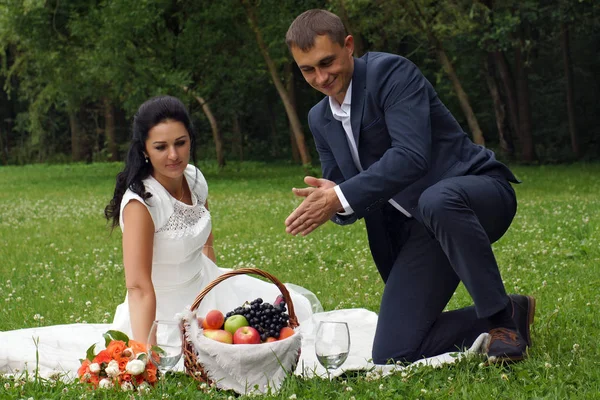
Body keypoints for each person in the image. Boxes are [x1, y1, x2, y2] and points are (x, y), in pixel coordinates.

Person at [0, 95, 318, 378]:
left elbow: (206, 240)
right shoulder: (142, 203)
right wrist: (145, 353)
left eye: (180, 143)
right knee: (203, 360)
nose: (173, 155)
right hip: (163, 310)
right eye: (161, 147)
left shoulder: (194, 178)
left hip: (209, 288)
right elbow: (138, 286)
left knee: (296, 312)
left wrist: (217, 286)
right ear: (144, 150)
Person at [284, 9, 536, 364]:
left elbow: (410, 156)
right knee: (393, 352)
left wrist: (341, 194)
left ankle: (500, 325)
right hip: (419, 229)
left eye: (327, 62)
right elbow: (347, 190)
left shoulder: (391, 74)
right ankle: (514, 310)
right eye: (307, 70)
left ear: (349, 45)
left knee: (438, 199)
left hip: (476, 195)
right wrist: (332, 197)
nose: (321, 77)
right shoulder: (319, 118)